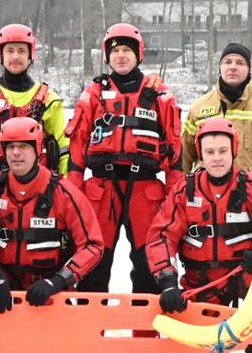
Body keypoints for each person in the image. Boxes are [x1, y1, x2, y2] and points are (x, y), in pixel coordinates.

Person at [146, 118, 252, 353]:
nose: (216, 159)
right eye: (209, 152)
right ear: (200, 154)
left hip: (244, 274)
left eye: (222, 151)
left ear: (234, 150)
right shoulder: (184, 192)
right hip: (202, 281)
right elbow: (161, 237)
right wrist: (167, 281)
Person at [66, 22, 184, 293]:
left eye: (127, 50)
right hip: (100, 189)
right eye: (115, 50)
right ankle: (90, 332)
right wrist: (72, 194)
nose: (121, 55)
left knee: (149, 265)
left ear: (138, 54)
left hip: (146, 189)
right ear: (107, 56)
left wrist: (175, 196)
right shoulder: (93, 93)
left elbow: (175, 151)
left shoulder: (160, 95)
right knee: (93, 262)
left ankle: (146, 332)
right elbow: (77, 144)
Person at [0, 117, 104, 306]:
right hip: (0, 280)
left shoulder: (63, 192)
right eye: (10, 146)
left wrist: (58, 281)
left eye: (23, 146)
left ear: (37, 150)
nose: (16, 153)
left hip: (44, 285)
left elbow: (92, 245)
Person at [180, 42, 252, 208]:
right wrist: (180, 195)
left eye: (240, 63)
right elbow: (183, 156)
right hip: (209, 199)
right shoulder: (198, 109)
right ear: (219, 68)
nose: (233, 67)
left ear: (249, 69)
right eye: (227, 62)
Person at [0, 23, 68, 183]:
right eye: (10, 51)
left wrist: (65, 190)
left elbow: (64, 149)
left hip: (38, 190)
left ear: (30, 55)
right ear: (1, 55)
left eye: (21, 51)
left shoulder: (49, 99)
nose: (15, 57)